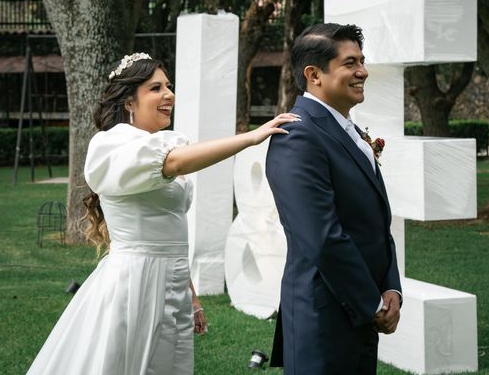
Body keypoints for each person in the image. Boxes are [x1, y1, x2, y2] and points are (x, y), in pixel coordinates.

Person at [27, 52, 299, 375]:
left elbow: (172, 234)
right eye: (155, 88)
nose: (169, 95)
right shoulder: (112, 145)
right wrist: (251, 137)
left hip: (173, 282)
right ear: (129, 101)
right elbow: (174, 163)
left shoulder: (159, 145)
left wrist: (192, 297)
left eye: (168, 86)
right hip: (136, 285)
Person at [265, 24, 402, 374]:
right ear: (314, 75)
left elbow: (374, 225)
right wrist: (372, 304)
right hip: (323, 315)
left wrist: (391, 287)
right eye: (350, 63)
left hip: (361, 310)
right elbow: (322, 237)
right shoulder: (297, 136)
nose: (363, 71)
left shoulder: (349, 130)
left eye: (363, 60)